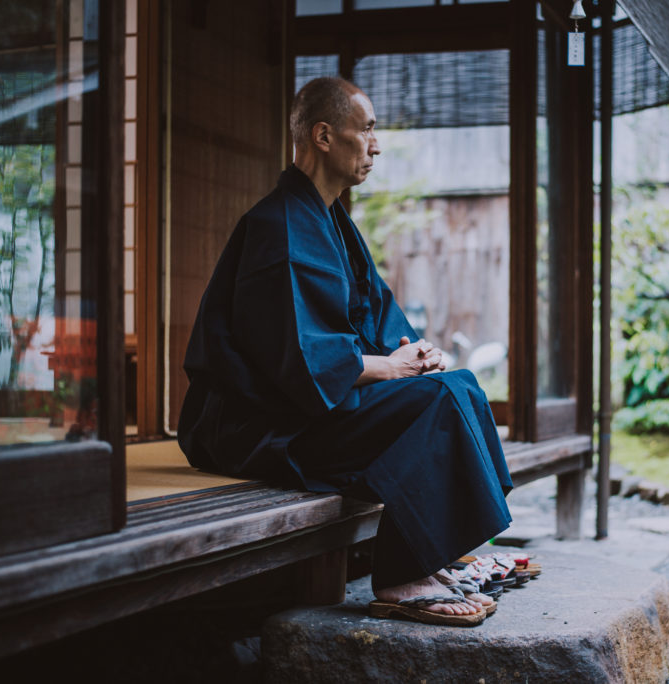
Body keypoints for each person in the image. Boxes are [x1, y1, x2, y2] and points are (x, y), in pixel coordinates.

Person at [177, 77, 512, 626]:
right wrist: (388, 368)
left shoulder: (333, 222)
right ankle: (404, 575)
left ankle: (441, 550)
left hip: (318, 406)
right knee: (438, 404)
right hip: (264, 427)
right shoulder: (278, 225)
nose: (376, 145)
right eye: (369, 130)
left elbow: (377, 318)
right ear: (325, 135)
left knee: (459, 387)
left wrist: (411, 355)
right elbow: (297, 359)